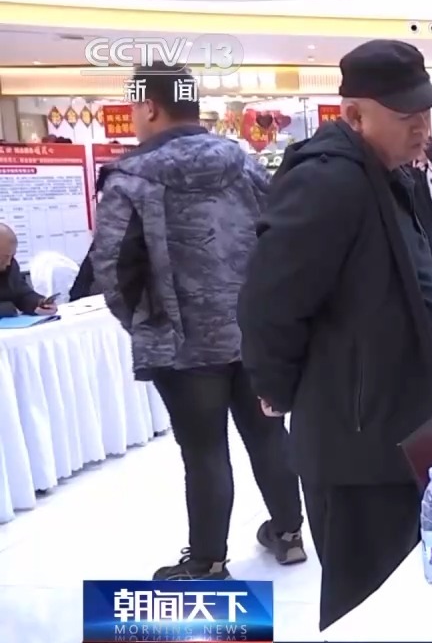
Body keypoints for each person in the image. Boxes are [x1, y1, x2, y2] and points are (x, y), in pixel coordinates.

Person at [236, 40, 432, 629]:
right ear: (355, 115)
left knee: (401, 595)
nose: (422, 128)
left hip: (402, 427)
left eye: (425, 113)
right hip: (357, 440)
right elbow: (269, 299)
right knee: (364, 604)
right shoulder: (328, 182)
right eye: (406, 116)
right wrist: (275, 385)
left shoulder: (388, 176)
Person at [90, 63, 305, 580]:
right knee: (268, 434)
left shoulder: (132, 177)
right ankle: (289, 533)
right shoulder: (245, 163)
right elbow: (280, 239)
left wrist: (144, 322)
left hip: (181, 339)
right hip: (252, 330)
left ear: (148, 107)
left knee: (204, 450)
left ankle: (208, 560)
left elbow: (113, 266)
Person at [0, 223, 56, 317]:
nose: (9, 262)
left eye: (12, 256)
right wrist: (9, 308)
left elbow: (22, 293)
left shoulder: (10, 265)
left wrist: (39, 303)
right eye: (4, 257)